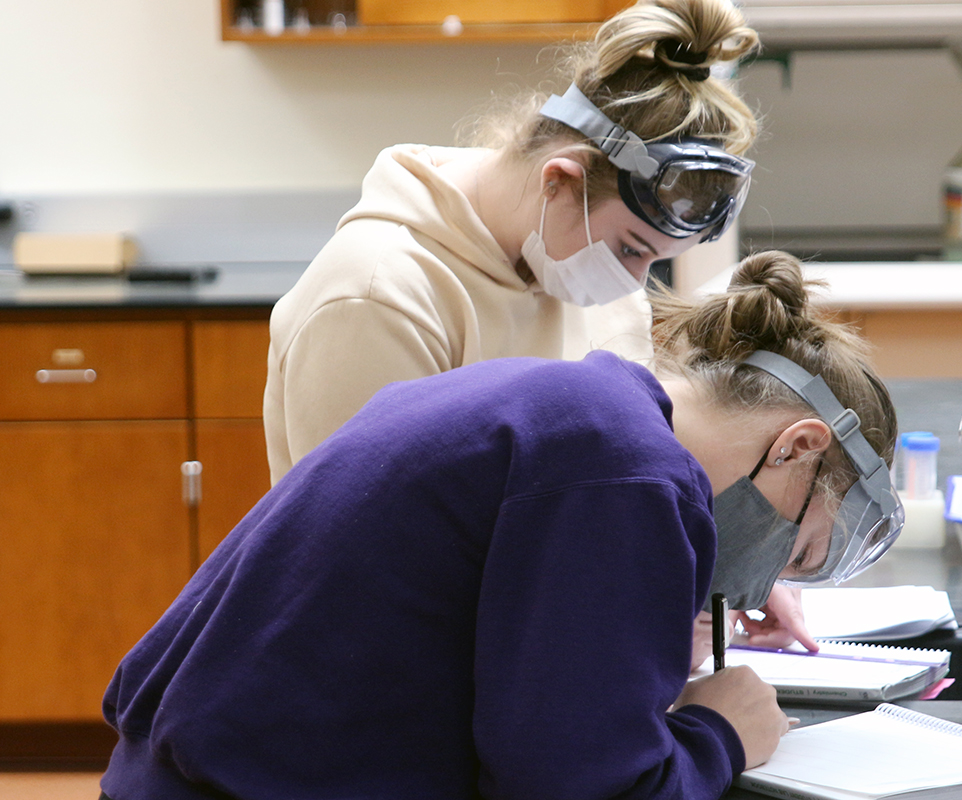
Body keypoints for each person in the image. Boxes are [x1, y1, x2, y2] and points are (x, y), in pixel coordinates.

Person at [100, 251, 901, 800]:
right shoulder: (626, 472)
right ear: (798, 446)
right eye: (793, 550)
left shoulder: (575, 410)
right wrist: (721, 733)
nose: (761, 584)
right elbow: (578, 788)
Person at [264, 0, 760, 485]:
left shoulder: (594, 283)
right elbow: (371, 545)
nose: (633, 281)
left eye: (653, 258)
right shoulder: (375, 297)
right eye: (631, 248)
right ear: (560, 181)